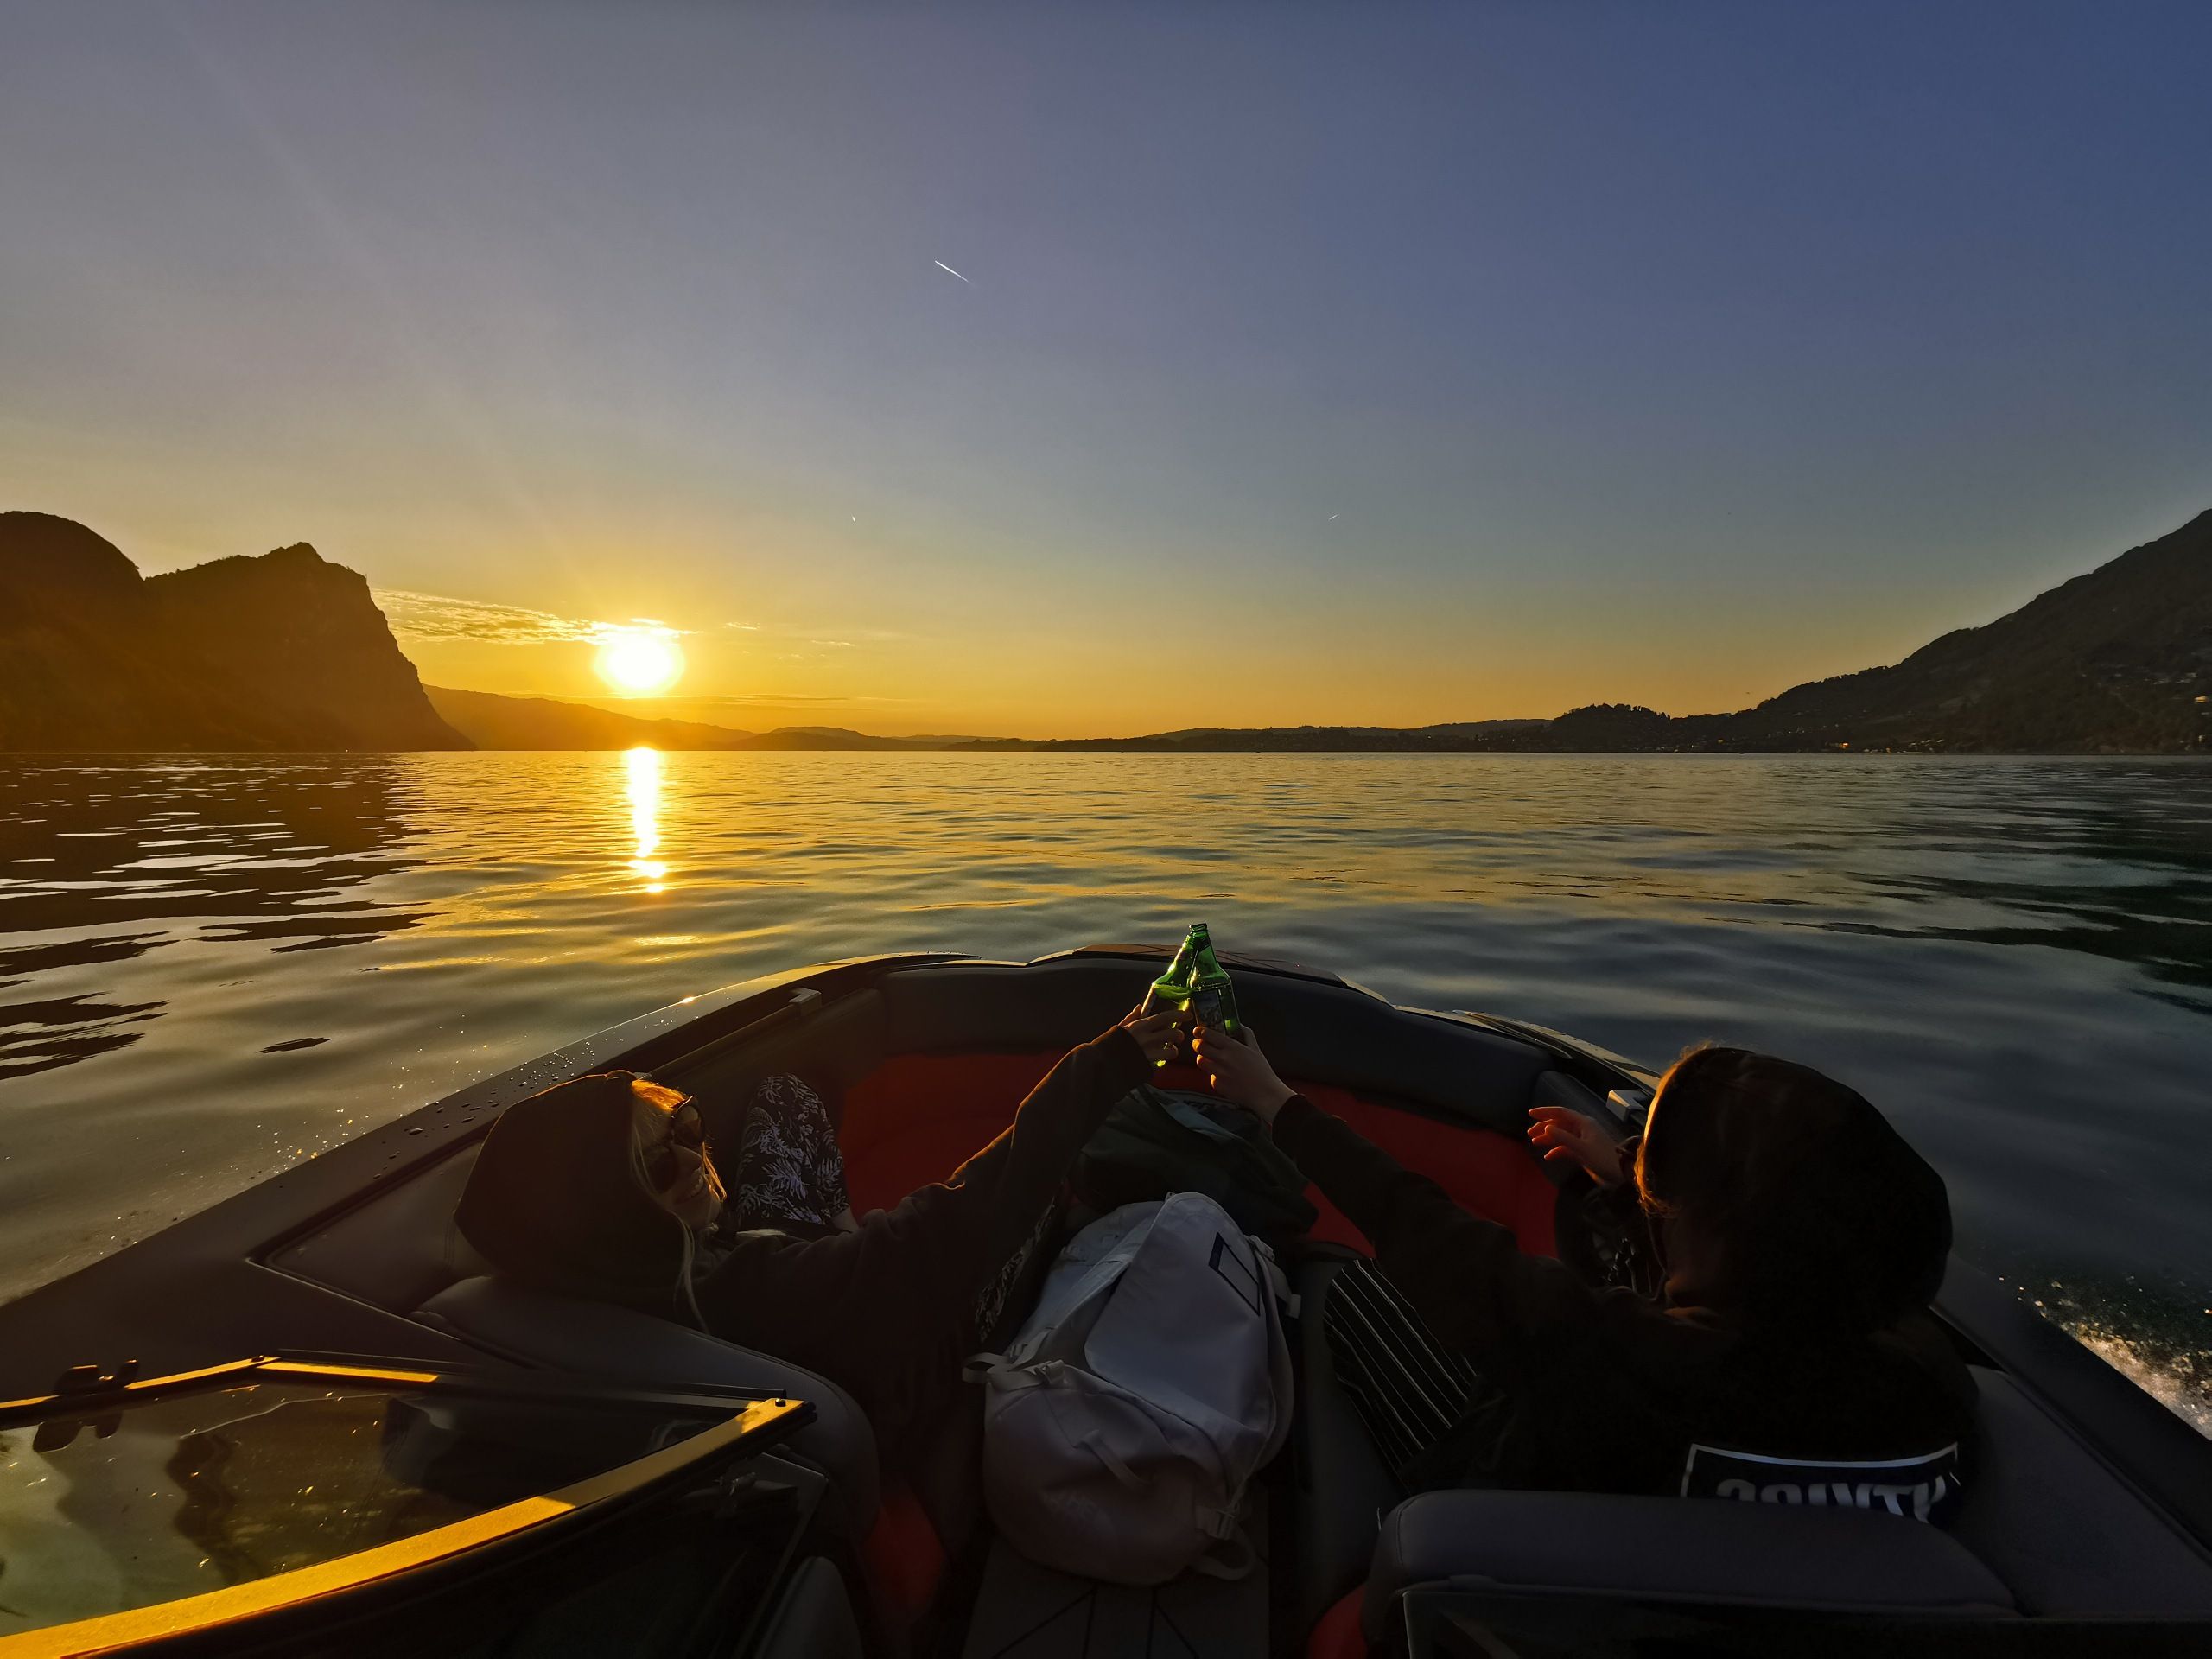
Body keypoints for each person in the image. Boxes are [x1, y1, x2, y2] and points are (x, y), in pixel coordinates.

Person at [1192, 1027, 1976, 1520]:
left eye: (1669, 1199)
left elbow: (1423, 1227)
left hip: (1493, 1535)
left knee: (1348, 1284)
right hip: (1650, 1571)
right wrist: (1629, 1178)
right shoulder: (1932, 1386)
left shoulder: (1613, 1363)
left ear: (1720, 1238)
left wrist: (1276, 1103)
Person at [455, 1006, 1180, 1459]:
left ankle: (842, 1234)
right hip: (911, 1347)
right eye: (655, 1164)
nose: (694, 1156)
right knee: (1041, 1189)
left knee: (784, 1097)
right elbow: (945, 1233)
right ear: (610, 1214)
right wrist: (1100, 1069)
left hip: (797, 1265)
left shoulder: (603, 1272)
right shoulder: (750, 1297)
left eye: (688, 1124)